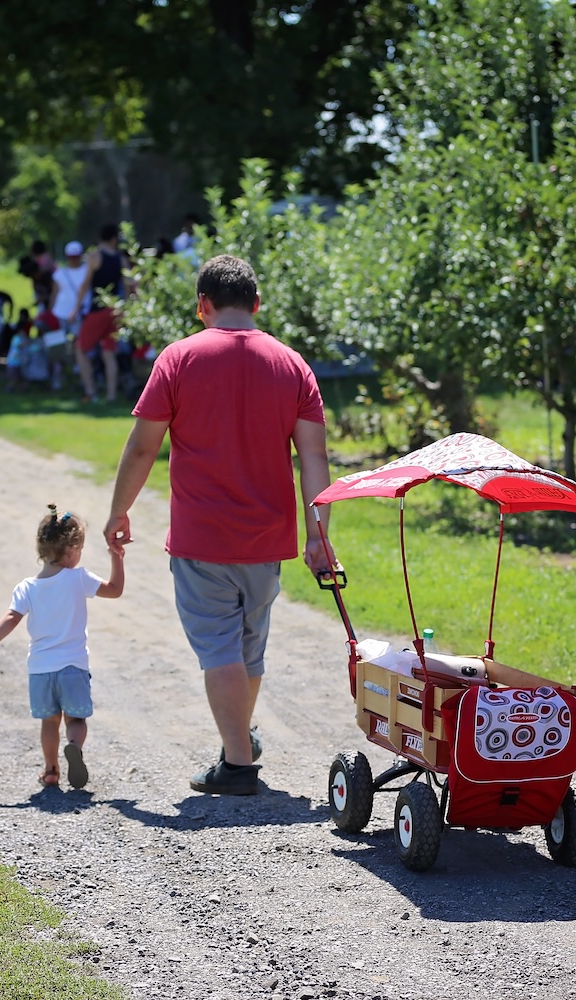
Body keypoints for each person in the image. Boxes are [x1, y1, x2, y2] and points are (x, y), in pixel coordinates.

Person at [104, 254, 334, 796]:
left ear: (202, 306)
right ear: (256, 304)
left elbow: (142, 447)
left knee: (220, 649)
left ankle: (236, 766)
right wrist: (320, 533)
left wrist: (119, 509)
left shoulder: (179, 358)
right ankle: (241, 739)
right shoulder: (292, 364)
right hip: (268, 538)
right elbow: (314, 459)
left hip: (202, 537)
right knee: (248, 649)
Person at [0, 505, 125, 789]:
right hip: (74, 666)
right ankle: (74, 747)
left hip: (41, 669)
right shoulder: (78, 578)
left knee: (48, 722)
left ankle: (51, 770)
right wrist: (117, 559)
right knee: (76, 718)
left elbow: (11, 618)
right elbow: (115, 589)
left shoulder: (26, 587)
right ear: (71, 549)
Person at [75, 224, 126, 403]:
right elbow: (127, 287)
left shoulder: (94, 256)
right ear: (113, 239)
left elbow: (85, 285)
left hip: (98, 310)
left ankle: (91, 392)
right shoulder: (121, 259)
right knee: (109, 353)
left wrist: (75, 309)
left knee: (81, 349)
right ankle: (111, 395)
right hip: (115, 310)